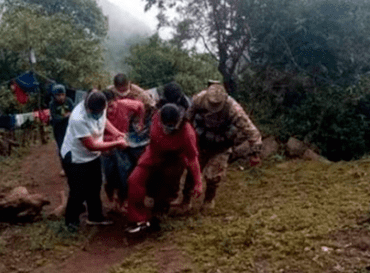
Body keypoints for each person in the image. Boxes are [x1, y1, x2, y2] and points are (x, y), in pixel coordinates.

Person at [182, 81, 263, 210]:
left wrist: (255, 153)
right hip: (200, 141)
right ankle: (185, 200)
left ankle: (209, 199)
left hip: (221, 145)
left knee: (213, 175)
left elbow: (250, 130)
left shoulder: (233, 108)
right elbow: (186, 119)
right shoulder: (199, 99)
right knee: (192, 171)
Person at [125, 103, 203, 234]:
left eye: (172, 125)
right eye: (166, 124)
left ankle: (158, 214)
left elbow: (192, 158)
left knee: (167, 183)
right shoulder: (156, 117)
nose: (168, 128)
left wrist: (198, 182)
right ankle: (138, 218)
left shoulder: (187, 132)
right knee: (134, 180)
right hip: (154, 152)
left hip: (174, 158)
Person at [60, 90, 129, 230]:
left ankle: (95, 217)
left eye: (101, 111)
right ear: (88, 108)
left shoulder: (100, 105)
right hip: (75, 157)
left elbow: (104, 121)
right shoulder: (78, 118)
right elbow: (91, 145)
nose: (99, 114)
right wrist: (116, 144)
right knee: (78, 191)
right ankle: (71, 222)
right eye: (95, 112)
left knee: (95, 185)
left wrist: (117, 133)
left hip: (93, 156)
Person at [102, 89, 146, 209]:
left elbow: (141, 106)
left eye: (111, 105)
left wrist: (140, 122)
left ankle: (123, 199)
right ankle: (112, 196)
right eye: (106, 106)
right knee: (109, 174)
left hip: (123, 145)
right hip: (106, 146)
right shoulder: (99, 110)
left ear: (115, 101)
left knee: (124, 172)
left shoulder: (124, 104)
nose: (109, 109)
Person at [49, 84, 74, 176]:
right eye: (58, 95)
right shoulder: (52, 104)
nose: (60, 97)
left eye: (62, 94)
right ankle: (64, 168)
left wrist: (66, 116)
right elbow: (55, 118)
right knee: (61, 149)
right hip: (59, 130)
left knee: (73, 147)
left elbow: (73, 112)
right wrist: (66, 116)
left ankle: (73, 165)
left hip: (70, 129)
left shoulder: (69, 101)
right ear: (54, 96)